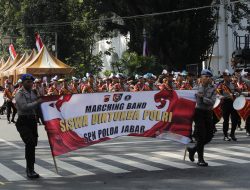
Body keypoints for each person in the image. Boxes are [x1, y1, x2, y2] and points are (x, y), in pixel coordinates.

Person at [15, 74, 43, 179]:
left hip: (32, 120)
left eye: (31, 82)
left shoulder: (33, 92)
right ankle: (29, 170)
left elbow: (38, 107)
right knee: (30, 143)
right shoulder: (19, 93)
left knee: (32, 145)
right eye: (28, 82)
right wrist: (37, 102)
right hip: (23, 121)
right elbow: (24, 107)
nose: (30, 84)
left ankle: (31, 168)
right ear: (22, 83)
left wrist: (45, 120)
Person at [187, 69, 216, 167]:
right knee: (201, 135)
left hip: (208, 112)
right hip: (198, 112)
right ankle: (201, 159)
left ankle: (193, 149)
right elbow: (189, 100)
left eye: (209, 77)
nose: (208, 79)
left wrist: (202, 98)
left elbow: (212, 102)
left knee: (209, 136)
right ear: (201, 77)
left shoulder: (213, 88)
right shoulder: (195, 88)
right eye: (206, 77)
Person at [217, 70, 240, 141]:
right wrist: (222, 97)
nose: (226, 77)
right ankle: (225, 135)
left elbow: (238, 91)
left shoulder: (234, 83)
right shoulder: (221, 85)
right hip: (225, 103)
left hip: (233, 102)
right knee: (226, 120)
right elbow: (217, 94)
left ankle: (232, 133)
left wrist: (237, 93)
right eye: (225, 76)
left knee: (235, 119)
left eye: (227, 76)